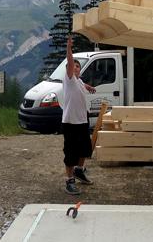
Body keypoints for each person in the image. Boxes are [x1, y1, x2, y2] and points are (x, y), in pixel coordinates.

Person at [61, 35, 96, 195]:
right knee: (71, 153)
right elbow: (69, 63)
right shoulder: (68, 79)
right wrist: (69, 49)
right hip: (70, 122)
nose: (75, 68)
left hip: (82, 120)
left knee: (84, 150)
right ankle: (69, 181)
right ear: (69, 69)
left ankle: (79, 171)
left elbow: (81, 84)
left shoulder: (79, 81)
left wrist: (88, 86)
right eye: (73, 66)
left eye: (77, 67)